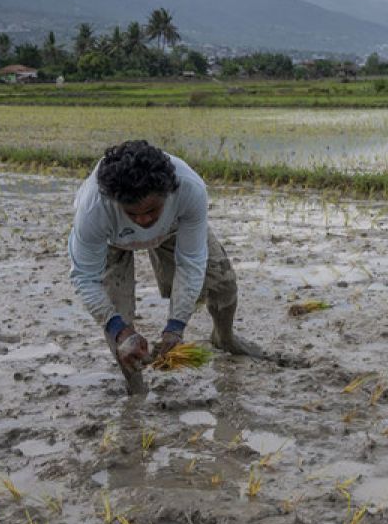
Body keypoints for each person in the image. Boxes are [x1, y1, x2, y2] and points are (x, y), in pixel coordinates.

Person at [68, 140, 269, 395]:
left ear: (168, 193)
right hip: (112, 240)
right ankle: (135, 385)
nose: (143, 220)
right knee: (117, 312)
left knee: (222, 281)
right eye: (133, 213)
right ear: (114, 201)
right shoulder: (93, 208)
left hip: (171, 229)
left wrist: (176, 327)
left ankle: (224, 337)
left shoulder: (189, 188)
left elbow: (192, 261)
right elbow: (85, 277)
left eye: (151, 210)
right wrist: (120, 330)